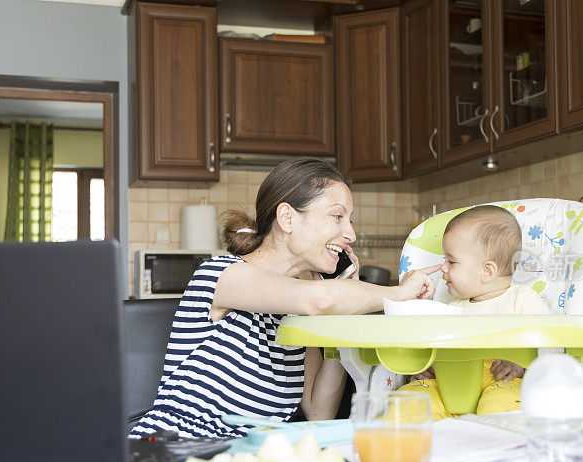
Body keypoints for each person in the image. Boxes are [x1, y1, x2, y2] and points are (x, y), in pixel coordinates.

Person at [130, 158, 439, 439]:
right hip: (175, 446)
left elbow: (319, 410)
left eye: (350, 221)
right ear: (287, 218)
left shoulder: (298, 315)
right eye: (337, 217)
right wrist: (399, 293)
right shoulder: (222, 275)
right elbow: (317, 300)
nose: (350, 235)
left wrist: (345, 313)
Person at [400, 205, 551, 417]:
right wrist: (429, 367)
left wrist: (522, 365)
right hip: (450, 385)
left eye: (451, 261)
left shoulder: (522, 301)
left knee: (501, 407)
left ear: (487, 271)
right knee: (410, 400)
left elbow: (552, 348)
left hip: (503, 382)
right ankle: (421, 446)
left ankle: (491, 444)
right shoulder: (453, 305)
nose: (443, 267)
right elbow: (438, 347)